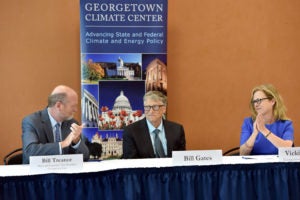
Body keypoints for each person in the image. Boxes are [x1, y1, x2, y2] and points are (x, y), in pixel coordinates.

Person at [22, 85, 90, 164]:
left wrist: (76, 141)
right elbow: (30, 151)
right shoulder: (32, 121)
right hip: (38, 174)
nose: (76, 110)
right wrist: (63, 144)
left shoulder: (72, 123)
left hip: (65, 174)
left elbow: (85, 157)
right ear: (59, 106)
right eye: (73, 106)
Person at [122, 90, 186, 158]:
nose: (151, 111)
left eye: (155, 107)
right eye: (147, 107)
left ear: (164, 109)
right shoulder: (131, 132)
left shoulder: (177, 130)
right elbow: (131, 164)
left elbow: (181, 160)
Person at [240, 84, 294, 155]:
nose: (256, 104)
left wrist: (264, 130)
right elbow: (242, 153)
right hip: (255, 165)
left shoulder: (286, 124)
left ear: (272, 101)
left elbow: (288, 150)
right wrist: (254, 134)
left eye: (259, 100)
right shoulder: (248, 123)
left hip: (279, 165)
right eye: (254, 101)